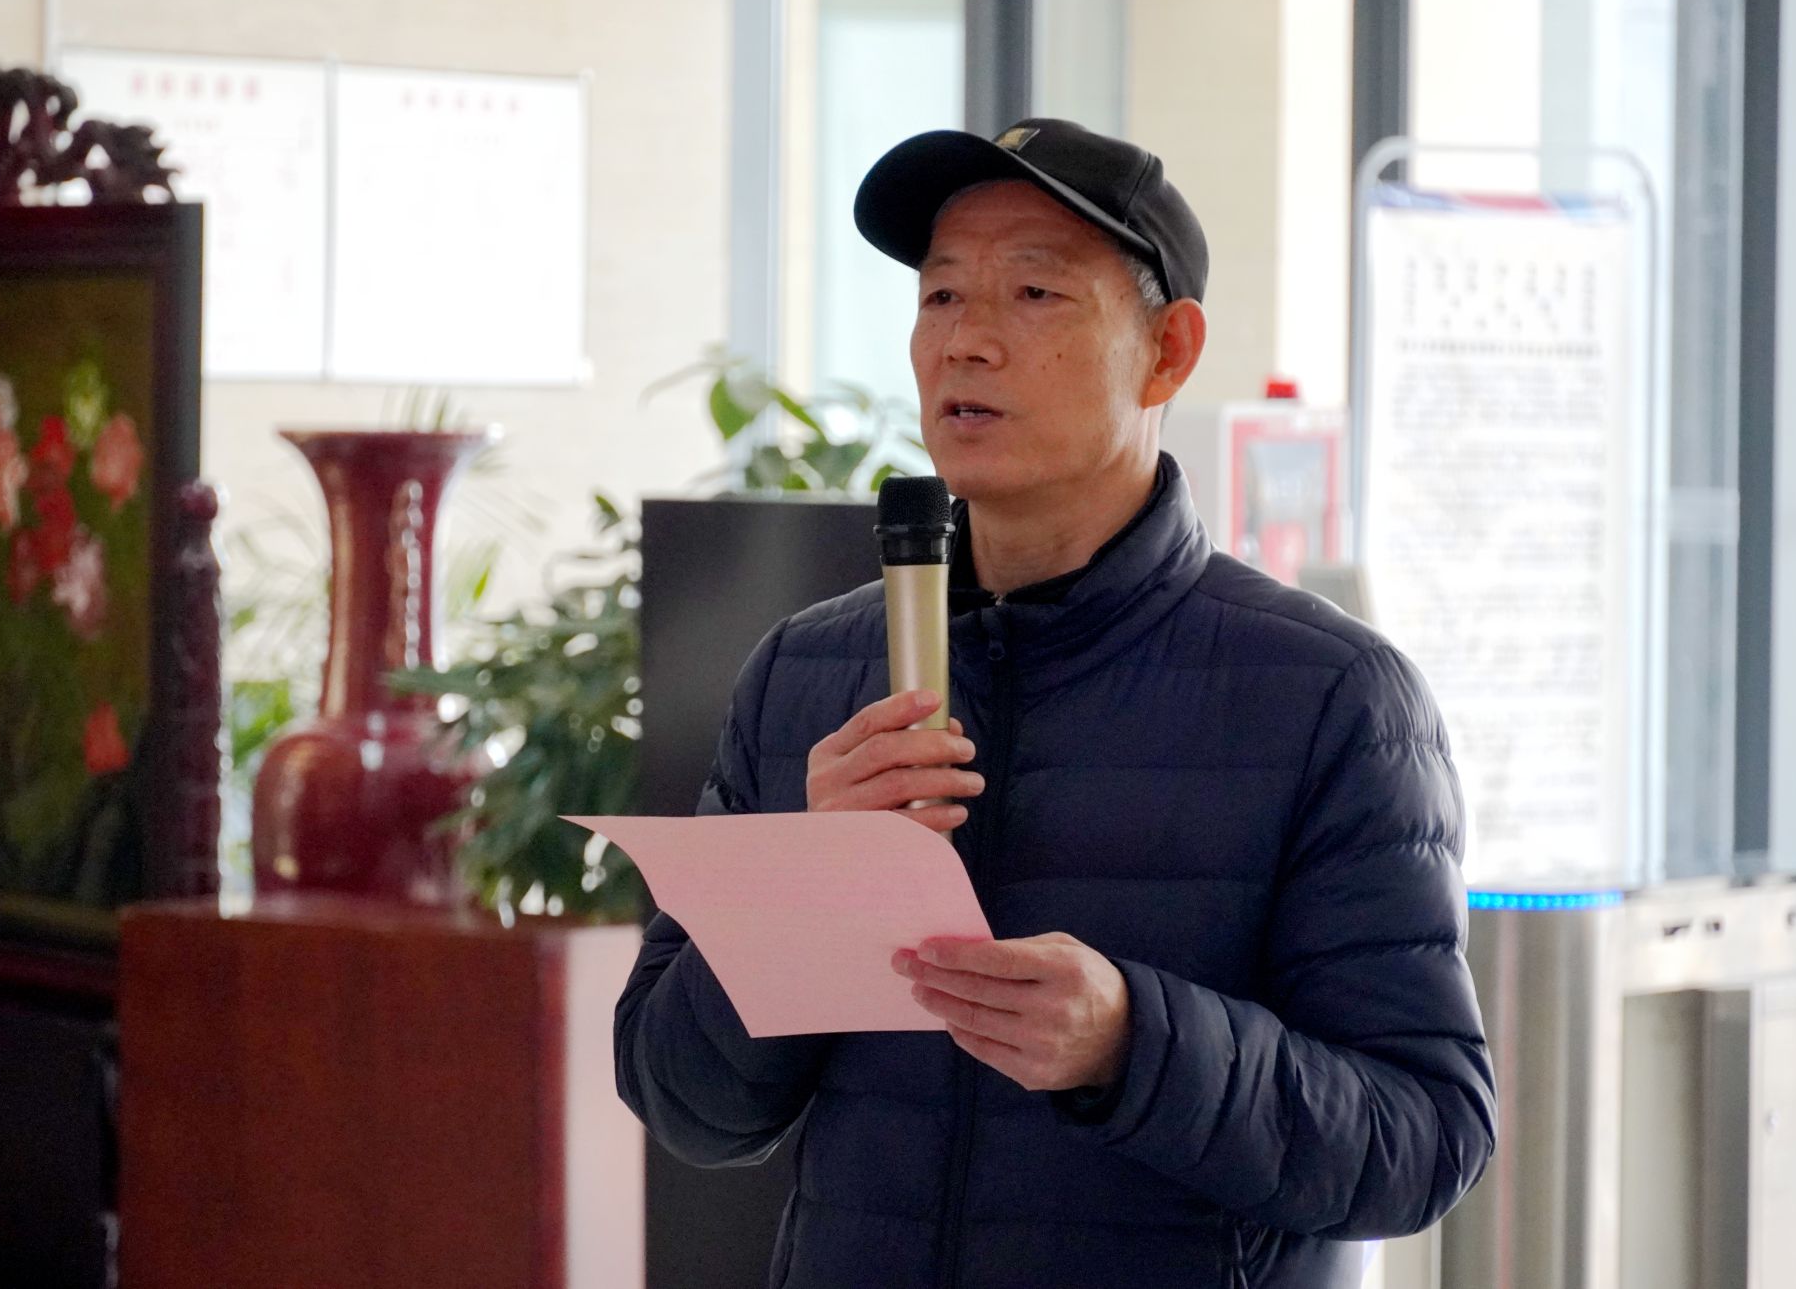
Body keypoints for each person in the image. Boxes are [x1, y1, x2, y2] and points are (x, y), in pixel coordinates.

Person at [614, 118, 1495, 1289]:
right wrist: (803, 886)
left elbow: (1420, 1142)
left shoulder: (1329, 697)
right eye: (938, 296)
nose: (965, 341)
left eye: (1032, 293)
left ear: (1167, 352)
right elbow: (683, 1102)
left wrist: (1134, 1044)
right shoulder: (805, 673)